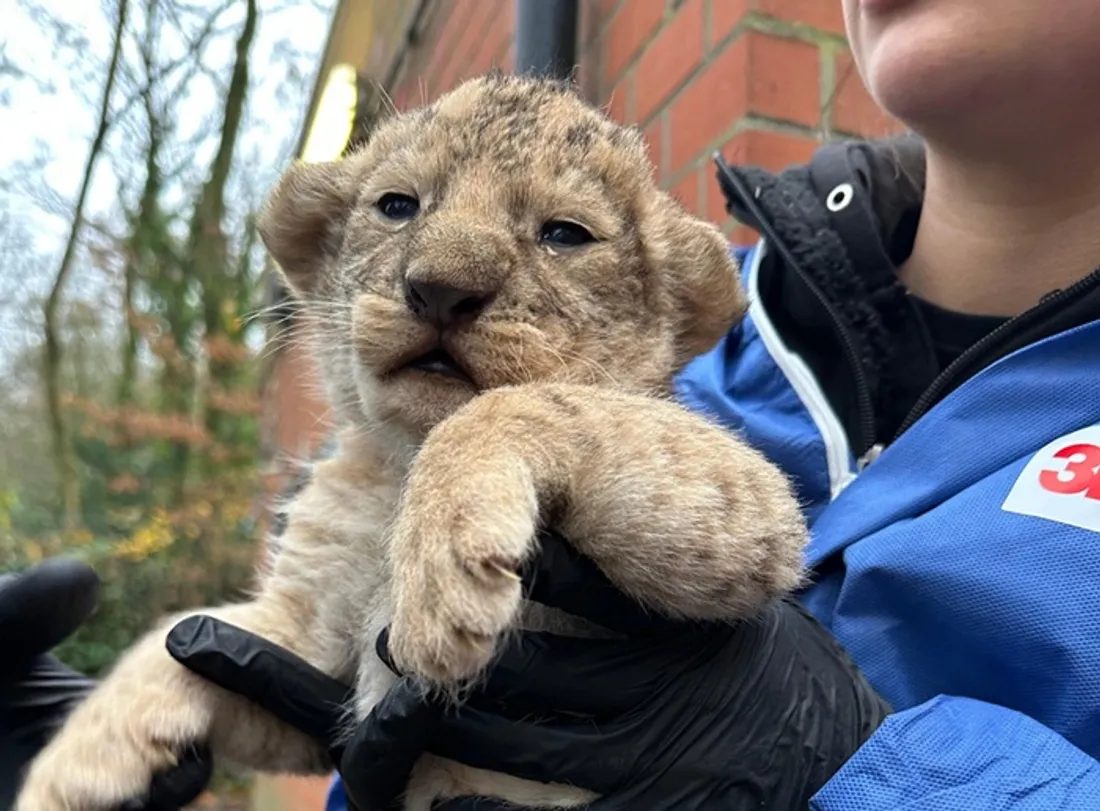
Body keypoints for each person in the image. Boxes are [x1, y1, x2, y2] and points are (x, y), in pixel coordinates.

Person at [6, 0, 1100, 807]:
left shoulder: (637, 367)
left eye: (564, 233)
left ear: (666, 307)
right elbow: (318, 691)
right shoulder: (741, 346)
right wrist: (127, 715)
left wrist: (860, 768)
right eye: (394, 208)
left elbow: (743, 530)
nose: (442, 265)